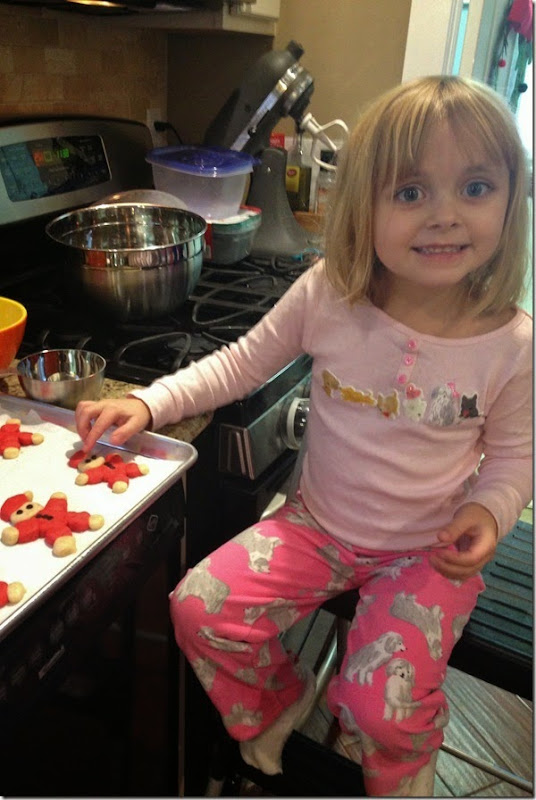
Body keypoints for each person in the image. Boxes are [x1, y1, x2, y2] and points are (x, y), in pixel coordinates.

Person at [75, 75, 533, 797]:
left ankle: (402, 772)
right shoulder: (329, 293)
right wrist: (152, 401)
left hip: (427, 553)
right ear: (365, 207)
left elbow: (514, 457)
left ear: (512, 201)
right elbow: (239, 364)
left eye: (475, 188)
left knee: (379, 709)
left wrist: (490, 511)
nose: (445, 215)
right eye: (411, 192)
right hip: (316, 529)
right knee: (197, 607)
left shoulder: (512, 344)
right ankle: (277, 702)